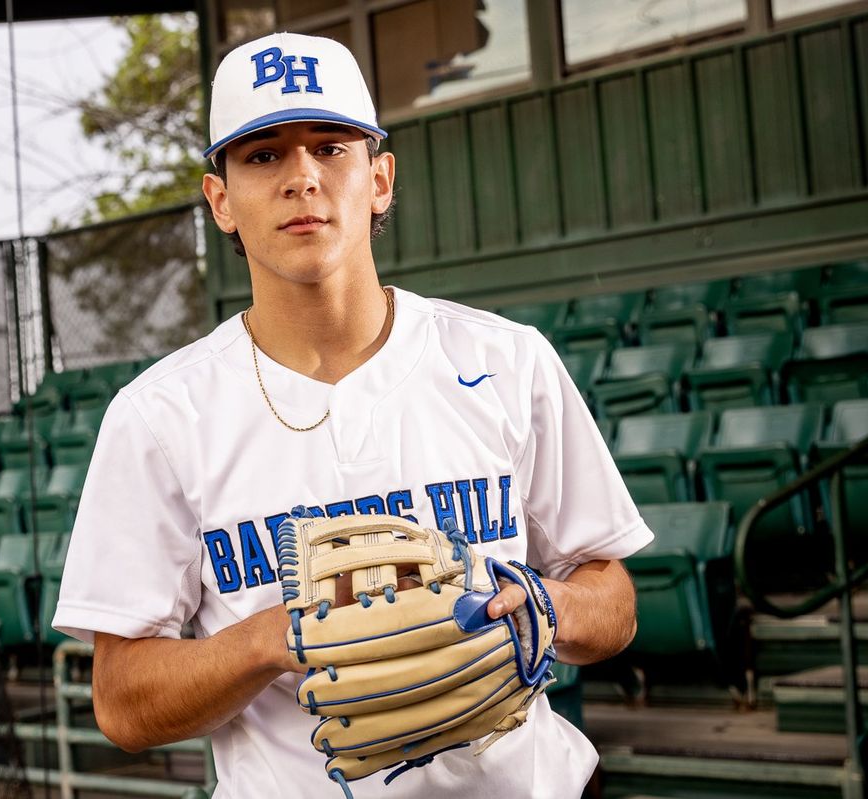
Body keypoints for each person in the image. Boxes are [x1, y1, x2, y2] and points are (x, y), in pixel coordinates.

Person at [53, 31, 651, 798]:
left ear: (380, 179)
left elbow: (613, 596)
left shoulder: (509, 359)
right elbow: (122, 701)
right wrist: (272, 638)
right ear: (221, 201)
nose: (302, 176)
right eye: (263, 154)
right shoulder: (159, 415)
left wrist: (549, 606)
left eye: (330, 147)